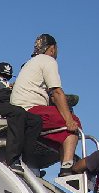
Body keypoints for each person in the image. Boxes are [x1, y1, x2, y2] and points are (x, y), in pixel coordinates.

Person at [9, 33, 80, 177]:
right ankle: (67, 168)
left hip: (19, 108)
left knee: (62, 120)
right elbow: (56, 92)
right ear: (52, 49)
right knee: (74, 122)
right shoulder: (48, 60)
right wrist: (69, 119)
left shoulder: (31, 62)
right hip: (30, 109)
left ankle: (68, 160)